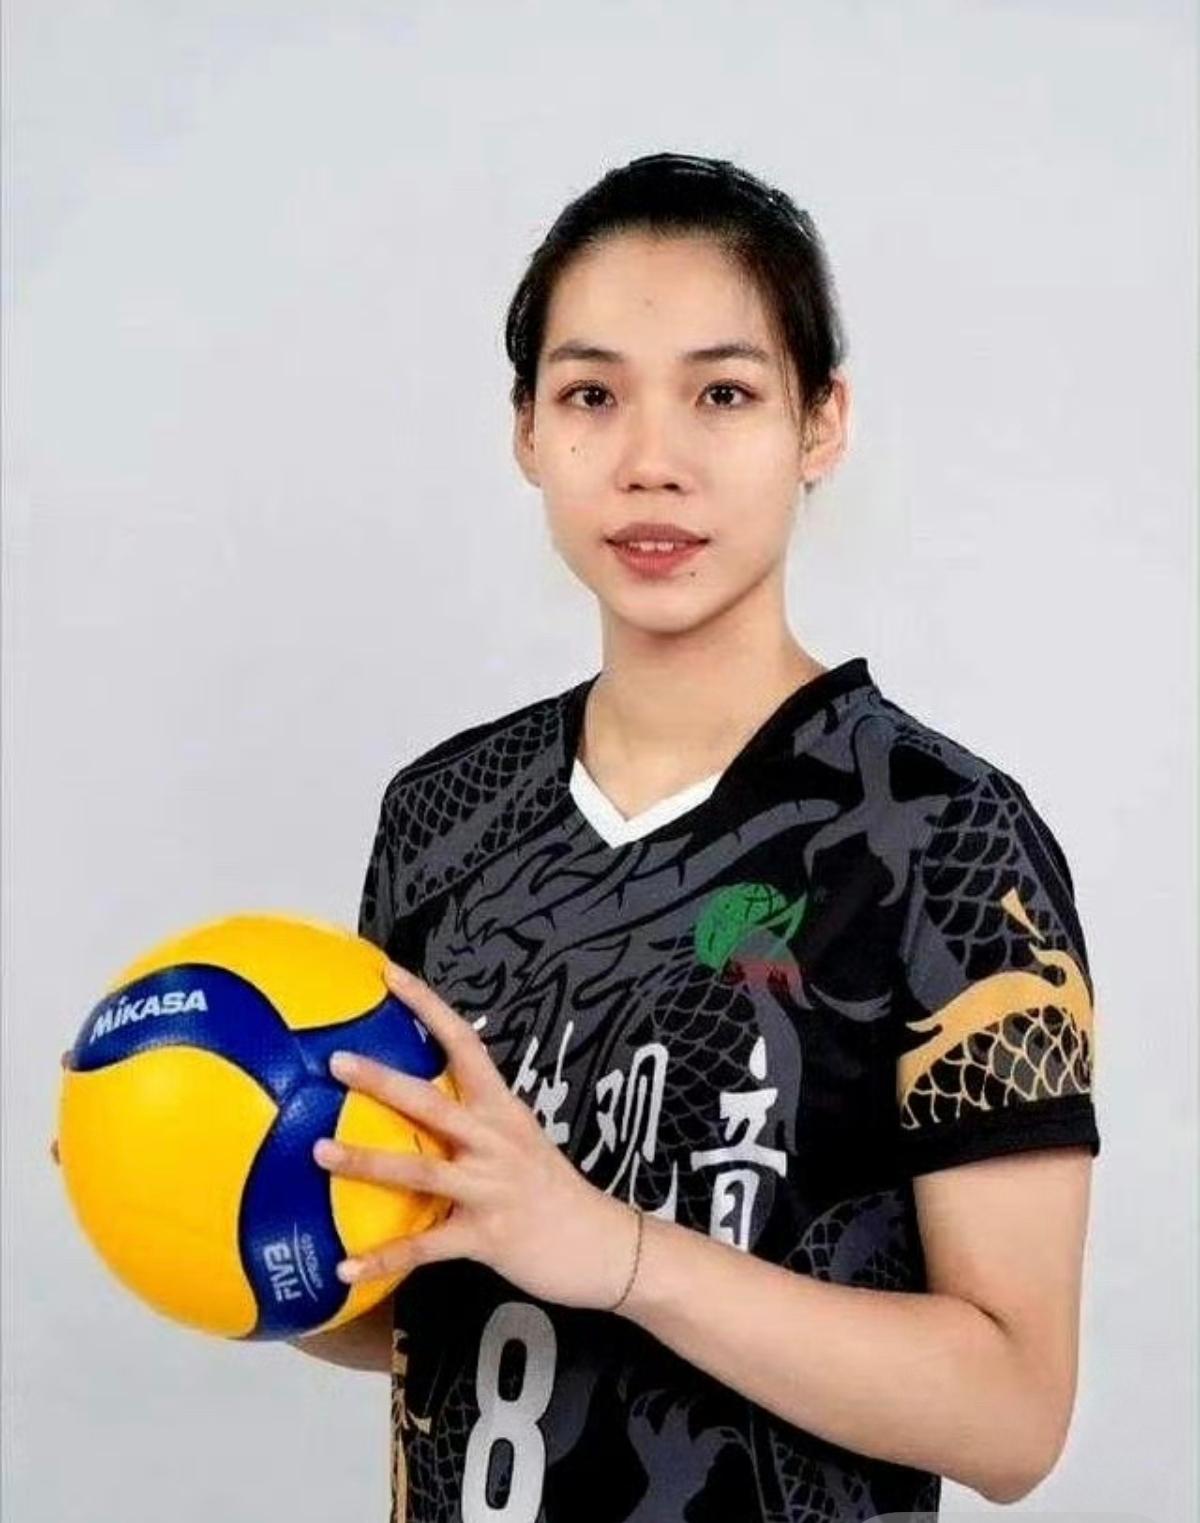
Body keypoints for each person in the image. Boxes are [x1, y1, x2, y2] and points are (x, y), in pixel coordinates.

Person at [247, 153, 1105, 1518]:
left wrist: (620, 1255)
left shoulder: (944, 838)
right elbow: (417, 1305)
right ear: (527, 432)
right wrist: (216, 1208)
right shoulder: (442, 816)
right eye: (592, 395)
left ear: (820, 424)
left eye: (724, 394)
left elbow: (1013, 1416)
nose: (652, 463)